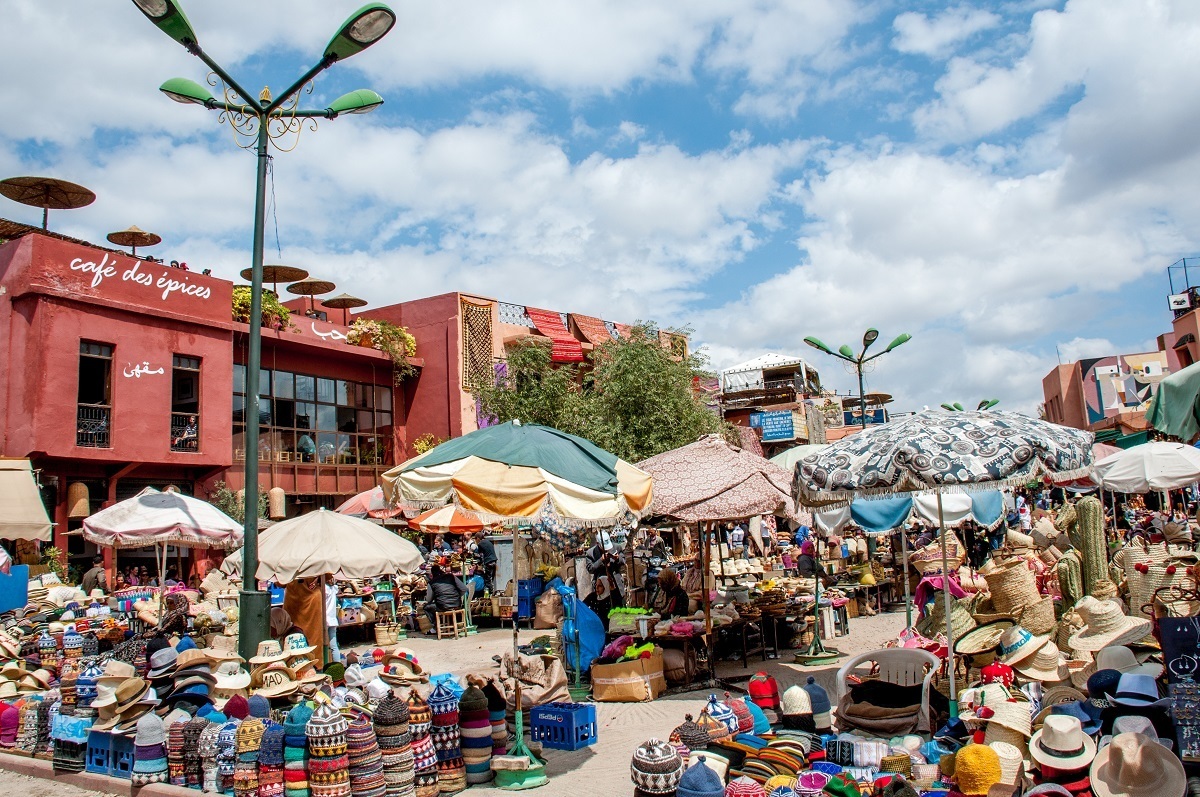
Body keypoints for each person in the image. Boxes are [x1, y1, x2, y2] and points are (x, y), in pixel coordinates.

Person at [584, 532, 625, 631]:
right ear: (598, 544)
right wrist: (600, 560)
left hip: (615, 584)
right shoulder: (590, 553)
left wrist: (616, 559)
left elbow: (623, 561)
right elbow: (591, 569)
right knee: (603, 612)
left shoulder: (617, 547)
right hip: (601, 586)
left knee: (618, 609)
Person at [423, 563, 468, 633]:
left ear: (432, 574)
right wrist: (457, 596)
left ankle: (435, 627)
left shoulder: (431, 583)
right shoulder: (451, 576)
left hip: (443, 606)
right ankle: (450, 624)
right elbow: (464, 589)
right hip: (457, 604)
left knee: (426, 607)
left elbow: (429, 599)